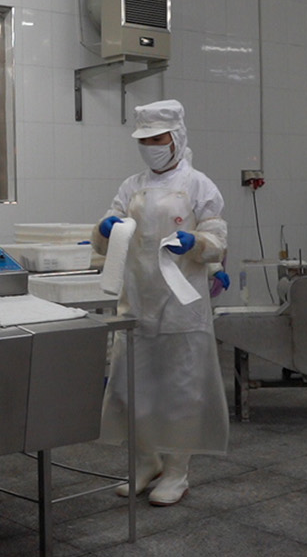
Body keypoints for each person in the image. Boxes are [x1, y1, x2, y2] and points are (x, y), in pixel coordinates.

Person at [92, 99, 229, 506]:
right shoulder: (131, 186)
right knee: (132, 388)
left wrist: (196, 242)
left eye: (158, 139)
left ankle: (176, 472)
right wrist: (103, 229)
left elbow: (217, 241)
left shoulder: (199, 186)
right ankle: (145, 461)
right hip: (136, 301)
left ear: (177, 137)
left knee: (180, 391)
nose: (151, 147)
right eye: (145, 140)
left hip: (181, 308)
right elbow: (106, 237)